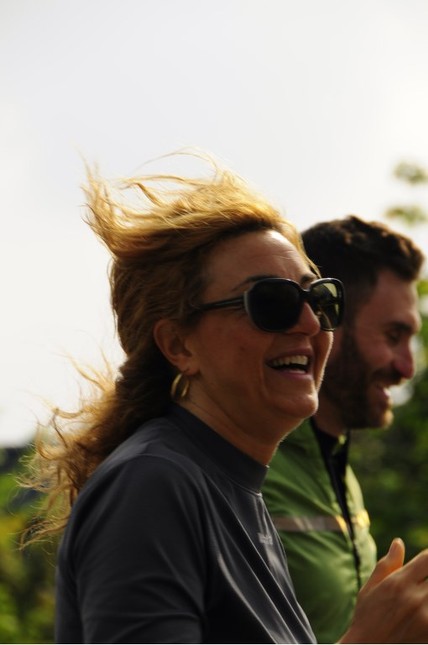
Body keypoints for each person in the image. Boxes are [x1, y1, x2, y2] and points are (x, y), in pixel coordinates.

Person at [26, 159, 428, 644]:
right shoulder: (153, 484)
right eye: (272, 303)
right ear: (179, 345)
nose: (309, 323)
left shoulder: (231, 488)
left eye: (320, 300)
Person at [262, 215, 425, 643]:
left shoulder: (341, 471)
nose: (407, 367)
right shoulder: (246, 467)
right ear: (327, 319)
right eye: (393, 335)